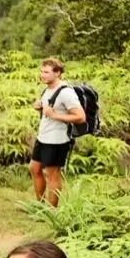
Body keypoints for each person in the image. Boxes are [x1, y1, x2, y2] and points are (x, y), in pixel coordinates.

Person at [30, 59, 86, 208]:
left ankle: (51, 211)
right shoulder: (48, 89)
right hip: (43, 137)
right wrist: (41, 108)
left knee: (52, 175)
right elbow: (50, 110)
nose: (42, 75)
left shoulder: (66, 92)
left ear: (58, 73)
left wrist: (54, 115)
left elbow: (80, 117)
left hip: (57, 140)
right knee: (34, 168)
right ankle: (40, 206)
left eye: (46, 72)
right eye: (41, 71)